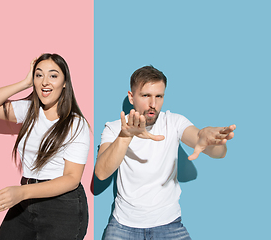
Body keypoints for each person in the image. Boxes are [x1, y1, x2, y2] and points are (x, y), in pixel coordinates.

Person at [95, 66, 236, 240]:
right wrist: (125, 136)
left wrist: (209, 140)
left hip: (169, 224)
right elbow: (101, 173)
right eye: (146, 95)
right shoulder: (114, 127)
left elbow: (217, 151)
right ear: (131, 97)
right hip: (123, 225)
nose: (153, 104)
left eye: (159, 96)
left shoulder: (174, 122)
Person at [0, 53, 90, 240]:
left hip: (62, 208)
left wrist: (22, 193)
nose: (45, 82)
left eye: (53, 76)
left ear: (64, 83)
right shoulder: (28, 110)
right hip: (26, 201)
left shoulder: (75, 124)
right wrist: (24, 83)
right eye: (39, 75)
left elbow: (72, 178)